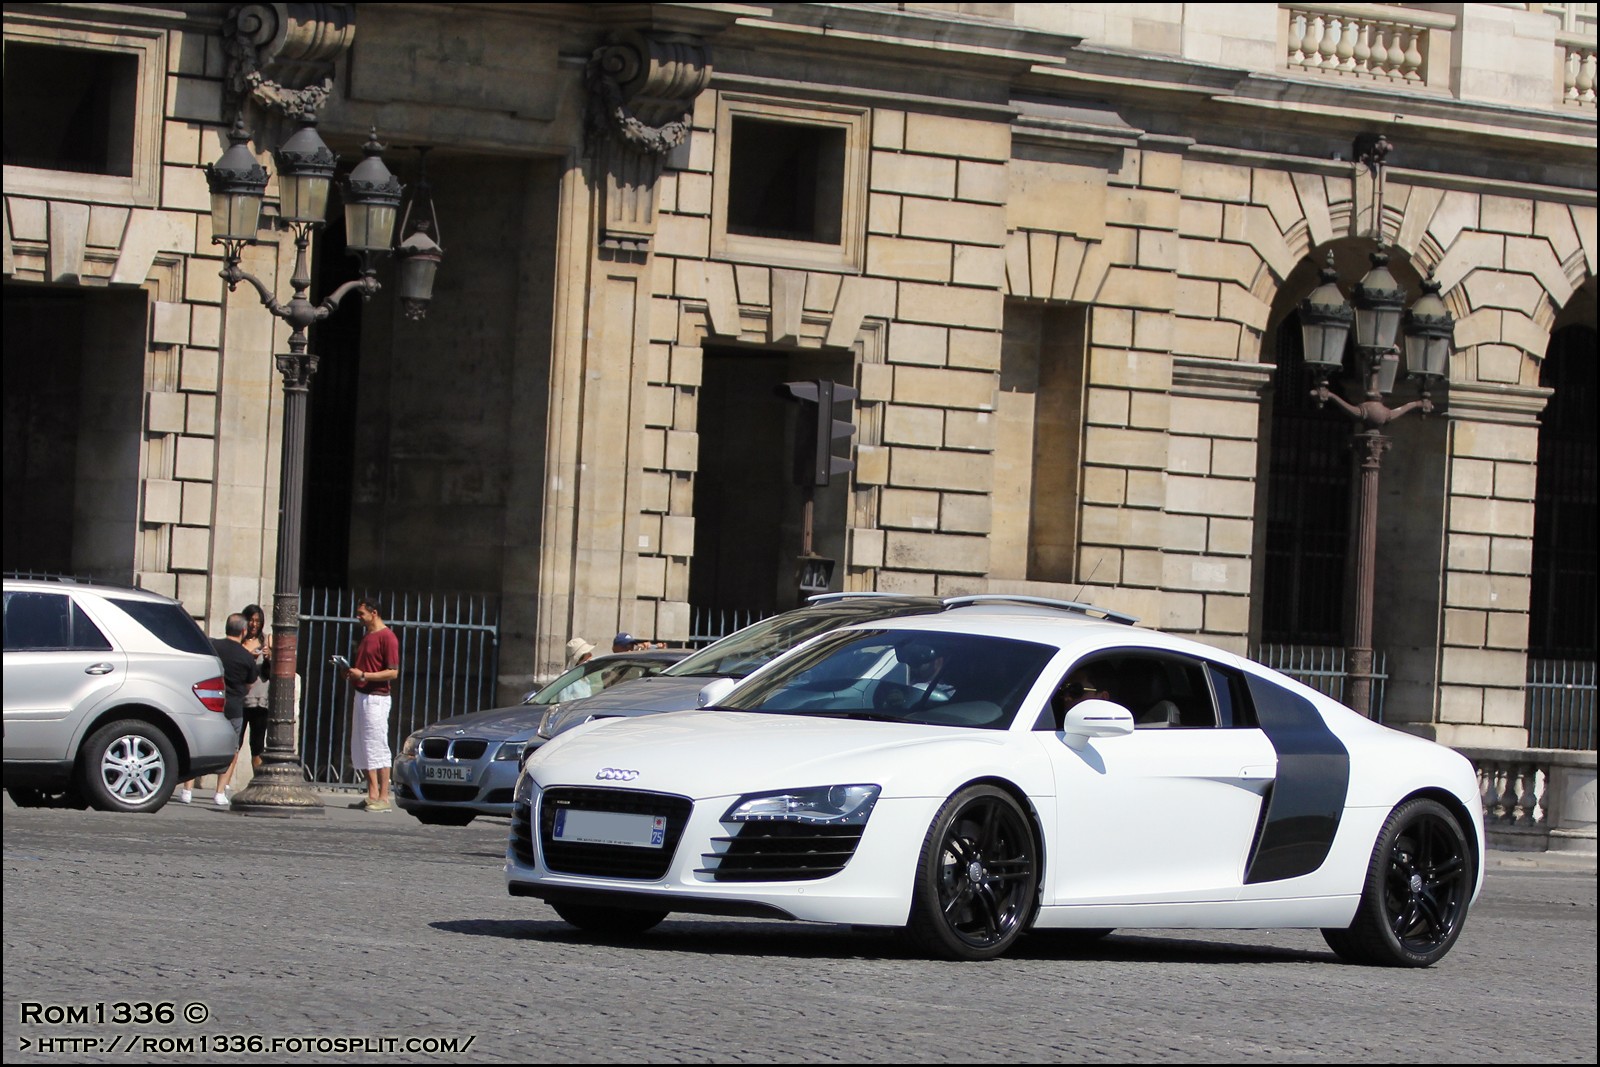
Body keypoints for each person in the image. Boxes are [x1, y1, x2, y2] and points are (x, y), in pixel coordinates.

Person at [178, 613, 258, 806]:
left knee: (197, 743)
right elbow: (249, 683)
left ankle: (187, 790)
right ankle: (220, 792)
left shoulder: (212, 647)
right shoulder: (246, 657)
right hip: (233, 706)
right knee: (233, 750)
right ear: (244, 631)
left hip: (208, 701)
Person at [346, 596, 400, 812]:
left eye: (362, 613)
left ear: (374, 613)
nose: (358, 617)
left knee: (377, 743)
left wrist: (365, 675)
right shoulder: (367, 636)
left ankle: (384, 796)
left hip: (377, 697)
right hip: (361, 694)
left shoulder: (387, 637)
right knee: (363, 744)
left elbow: (393, 671)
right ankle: (372, 793)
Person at [239, 604, 271, 773]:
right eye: (251, 620)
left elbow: (271, 673)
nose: (254, 624)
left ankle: (256, 780)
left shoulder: (267, 640)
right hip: (241, 699)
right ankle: (223, 787)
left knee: (257, 746)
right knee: (234, 744)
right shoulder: (239, 640)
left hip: (260, 700)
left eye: (257, 621)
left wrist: (268, 658)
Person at [558, 638, 596, 702]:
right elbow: (563, 703)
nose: (591, 656)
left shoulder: (584, 676)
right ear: (579, 659)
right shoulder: (567, 678)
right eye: (588, 654)